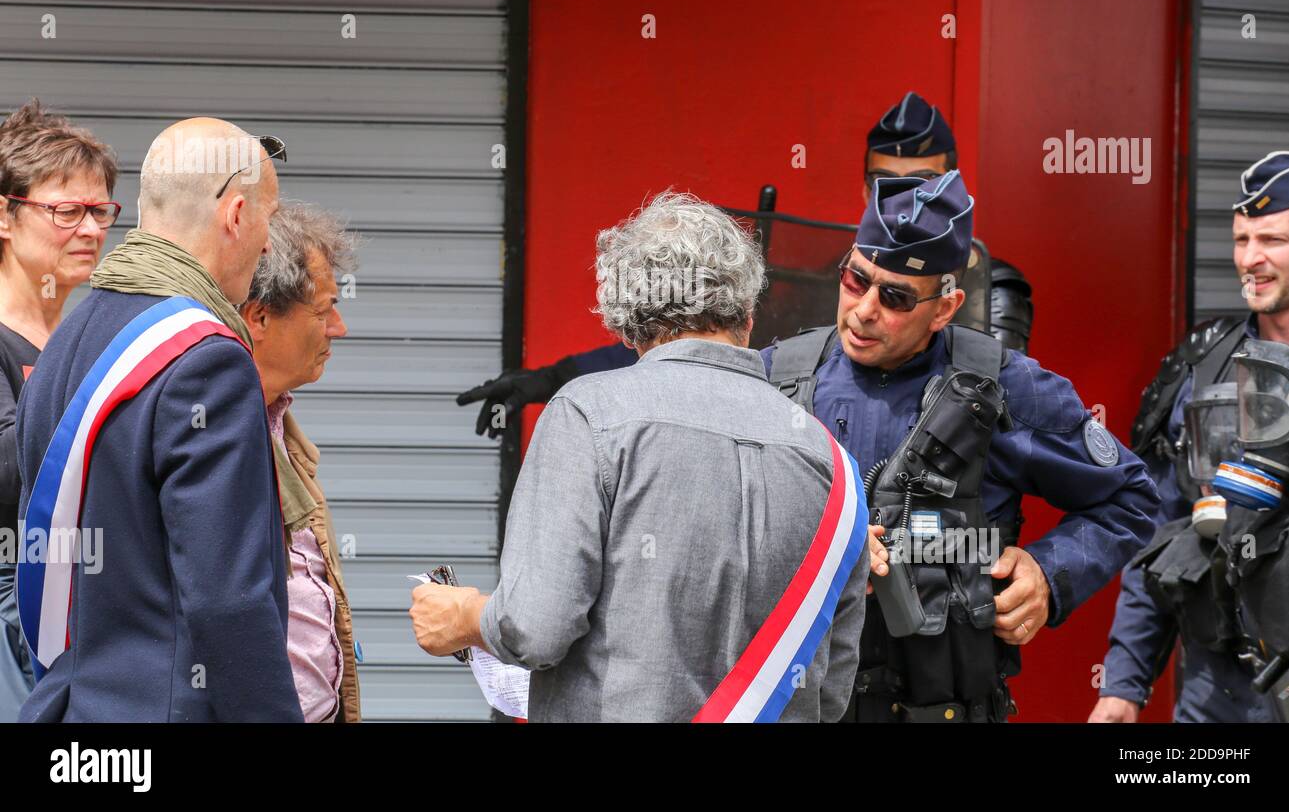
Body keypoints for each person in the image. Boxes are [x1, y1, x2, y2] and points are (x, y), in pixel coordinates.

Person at [409, 191, 887, 722]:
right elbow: (832, 688)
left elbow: (536, 629)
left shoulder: (588, 415)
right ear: (748, 312)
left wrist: (468, 615)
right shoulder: (832, 463)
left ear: (624, 322)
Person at [762, 171, 1159, 722]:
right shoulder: (777, 378)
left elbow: (1132, 498)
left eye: (896, 296)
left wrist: (1048, 572)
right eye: (856, 279)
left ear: (943, 310)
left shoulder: (1004, 389)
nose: (865, 309)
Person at [457, 91, 1035, 439]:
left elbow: (1006, 423)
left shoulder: (989, 288)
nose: (867, 306)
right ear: (864, 191)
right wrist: (551, 381)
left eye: (925, 185)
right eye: (887, 184)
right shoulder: (824, 277)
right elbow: (699, 349)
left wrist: (1038, 569)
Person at [15, 116, 303, 721]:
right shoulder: (209, 362)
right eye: (269, 221)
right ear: (235, 215)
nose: (270, 245)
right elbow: (229, 600)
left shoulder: (69, 337)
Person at [1089, 158, 1289, 723]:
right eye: (1241, 238)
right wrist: (1124, 684)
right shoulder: (1202, 369)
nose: (1250, 257)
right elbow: (1158, 534)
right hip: (1219, 694)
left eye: (1272, 239)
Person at [0, 101, 118, 722]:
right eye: (66, 211)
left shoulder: (73, 341)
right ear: (4, 214)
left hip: (78, 609)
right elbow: (9, 476)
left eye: (101, 211)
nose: (92, 230)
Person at [238, 202, 362, 723]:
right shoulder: (213, 434)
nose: (339, 327)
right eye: (323, 310)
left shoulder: (277, 422)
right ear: (260, 317)